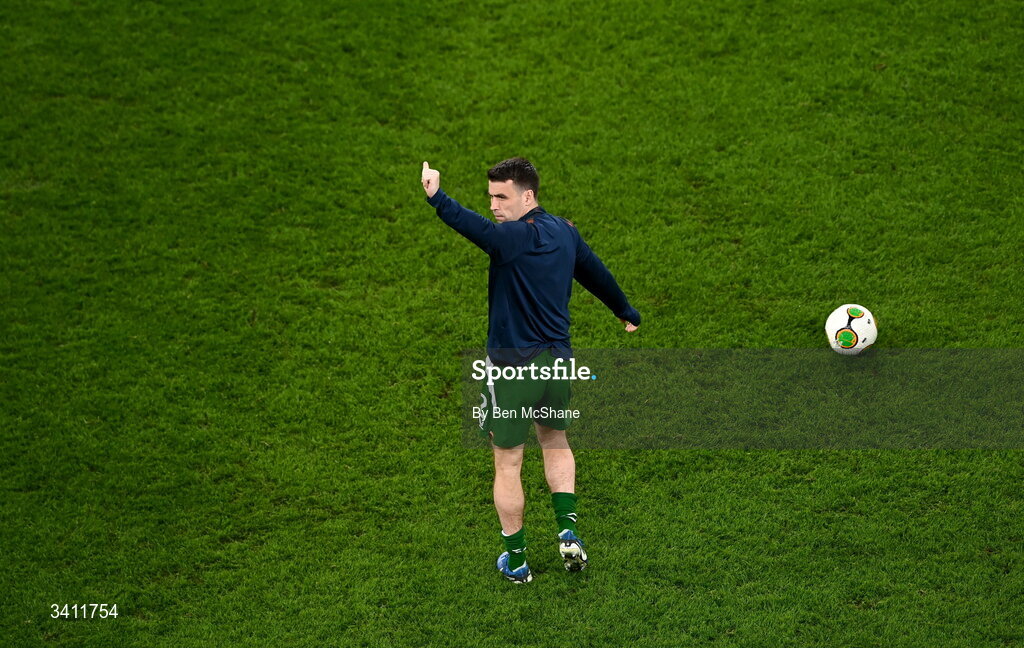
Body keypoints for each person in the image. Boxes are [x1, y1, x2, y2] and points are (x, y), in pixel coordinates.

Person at [420, 158, 641, 584]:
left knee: (508, 462)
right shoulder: (565, 232)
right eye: (490, 197)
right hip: (559, 364)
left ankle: (518, 562)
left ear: (528, 196)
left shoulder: (510, 238)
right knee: (556, 440)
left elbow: (473, 228)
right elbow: (596, 274)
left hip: (513, 370)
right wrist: (625, 311)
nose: (494, 207)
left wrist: (436, 197)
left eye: (502, 197)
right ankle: (568, 530)